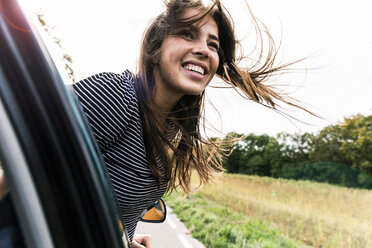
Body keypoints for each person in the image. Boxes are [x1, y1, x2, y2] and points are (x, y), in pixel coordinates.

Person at [1, 0, 313, 247]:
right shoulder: (117, 97)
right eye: (188, 34)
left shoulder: (166, 132)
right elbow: (19, 165)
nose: (204, 49)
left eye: (213, 44)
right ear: (155, 49)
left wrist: (122, 239)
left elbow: (98, 202)